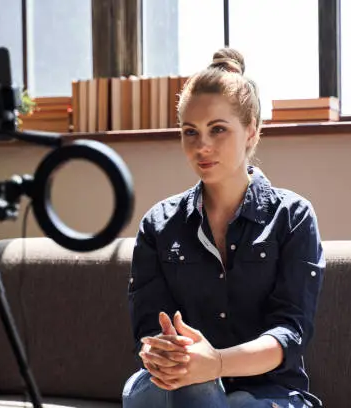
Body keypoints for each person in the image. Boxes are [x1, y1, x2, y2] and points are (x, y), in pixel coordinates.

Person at [122, 47, 325, 408]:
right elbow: (149, 333)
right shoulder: (158, 224)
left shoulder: (293, 217)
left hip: (269, 393)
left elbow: (290, 334)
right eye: (190, 132)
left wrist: (213, 363)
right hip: (174, 386)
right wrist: (171, 356)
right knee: (175, 388)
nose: (202, 146)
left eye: (218, 129)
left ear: (251, 131)